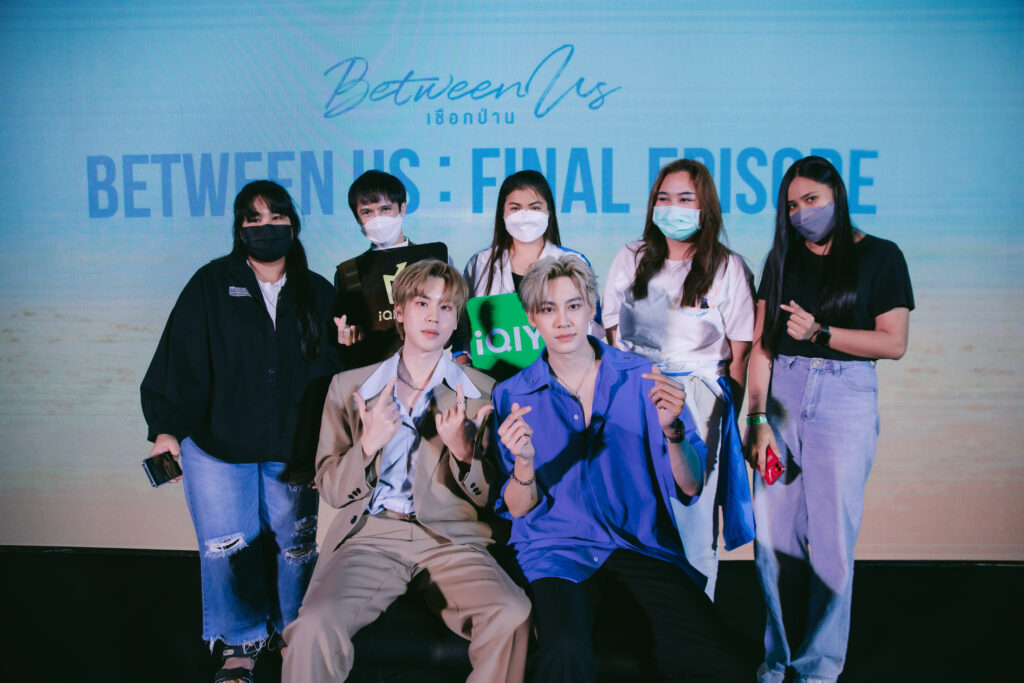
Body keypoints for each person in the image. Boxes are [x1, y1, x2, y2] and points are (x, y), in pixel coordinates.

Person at [493, 254, 749, 682]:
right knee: (565, 651)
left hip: (637, 544)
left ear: (592, 309)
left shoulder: (644, 378)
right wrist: (524, 462)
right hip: (556, 550)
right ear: (532, 318)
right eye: (548, 309)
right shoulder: (512, 394)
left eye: (574, 305)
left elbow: (690, 484)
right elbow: (518, 509)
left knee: (717, 660)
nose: (563, 321)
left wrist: (673, 432)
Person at [282, 260, 531, 683]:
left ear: (456, 320)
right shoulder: (349, 387)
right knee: (312, 628)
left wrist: (465, 453)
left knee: (513, 614)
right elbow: (332, 490)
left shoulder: (483, 392)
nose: (434, 316)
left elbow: (493, 498)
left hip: (453, 538)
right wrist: (367, 445)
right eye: (422, 303)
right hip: (372, 535)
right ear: (399, 311)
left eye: (446, 307)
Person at [140, 180, 341, 683]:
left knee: (295, 547)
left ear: (293, 225)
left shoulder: (318, 291)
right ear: (239, 229)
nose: (265, 227)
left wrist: (334, 444)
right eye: (253, 219)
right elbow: (180, 357)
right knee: (229, 546)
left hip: (294, 447)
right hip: (218, 445)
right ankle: (241, 643)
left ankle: (296, 633)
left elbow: (337, 371)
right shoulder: (210, 283)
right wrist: (165, 430)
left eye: (275, 218)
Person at [743, 156, 913, 683]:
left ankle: (818, 668)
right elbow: (762, 346)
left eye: (811, 200)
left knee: (832, 544)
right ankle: (778, 661)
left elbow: (894, 342)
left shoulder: (882, 256)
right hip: (783, 398)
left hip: (844, 397)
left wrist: (821, 333)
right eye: (792, 206)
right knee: (773, 542)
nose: (801, 214)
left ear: (836, 194)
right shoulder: (782, 259)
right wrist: (756, 418)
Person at [603, 158, 756, 598]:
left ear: (705, 207)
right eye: (664, 198)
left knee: (693, 516)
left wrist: (727, 415)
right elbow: (612, 335)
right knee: (636, 509)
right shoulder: (632, 257)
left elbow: (741, 352)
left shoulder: (727, 267)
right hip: (635, 393)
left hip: (700, 397)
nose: (673, 207)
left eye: (685, 199)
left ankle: (697, 622)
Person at [455, 169, 602, 362]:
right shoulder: (480, 263)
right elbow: (461, 326)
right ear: (502, 213)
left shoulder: (573, 261)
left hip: (561, 371)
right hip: (491, 375)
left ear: (549, 212)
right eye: (515, 208)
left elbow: (594, 323)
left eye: (534, 208)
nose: (525, 216)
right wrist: (463, 363)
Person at [333, 169, 448, 367]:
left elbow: (455, 321)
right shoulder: (348, 272)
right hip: (372, 372)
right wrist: (348, 337)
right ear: (357, 218)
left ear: (402, 209)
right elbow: (348, 332)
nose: (377, 219)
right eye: (367, 212)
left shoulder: (433, 261)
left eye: (385, 209)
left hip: (429, 369)